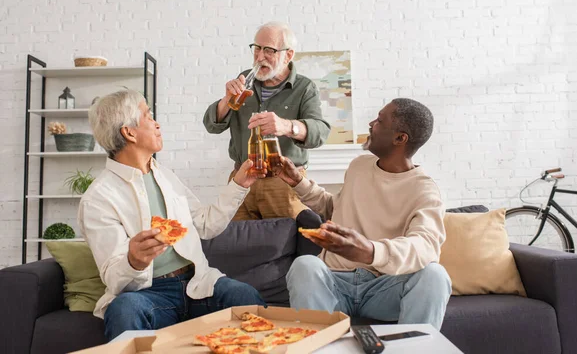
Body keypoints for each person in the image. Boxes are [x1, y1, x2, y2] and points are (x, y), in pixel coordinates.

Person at [79, 90, 266, 340]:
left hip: (197, 283)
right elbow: (115, 280)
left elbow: (205, 225)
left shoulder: (165, 176)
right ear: (129, 132)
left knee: (244, 297)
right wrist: (134, 260)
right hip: (150, 293)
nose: (157, 123)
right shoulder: (98, 198)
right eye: (148, 116)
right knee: (124, 309)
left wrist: (240, 183)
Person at [276, 98, 451, 330]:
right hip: (335, 282)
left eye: (379, 120)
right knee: (305, 265)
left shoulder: (424, 189)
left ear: (400, 138)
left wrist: (370, 251)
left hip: (383, 287)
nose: (371, 124)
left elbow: (426, 246)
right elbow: (334, 208)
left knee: (435, 276)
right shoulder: (359, 166)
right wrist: (298, 182)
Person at [203, 21, 331, 221]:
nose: (260, 56)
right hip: (241, 179)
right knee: (236, 245)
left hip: (283, 183)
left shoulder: (304, 87)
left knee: (285, 245)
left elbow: (320, 132)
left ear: (288, 55)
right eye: (257, 48)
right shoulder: (244, 79)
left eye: (269, 50)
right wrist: (226, 100)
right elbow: (211, 125)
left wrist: (287, 126)